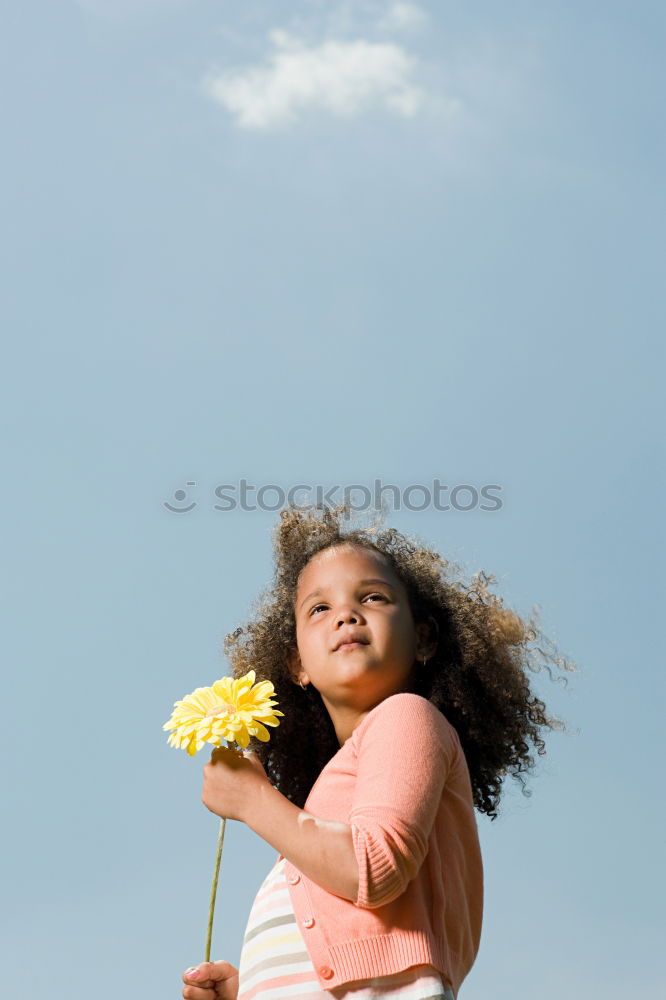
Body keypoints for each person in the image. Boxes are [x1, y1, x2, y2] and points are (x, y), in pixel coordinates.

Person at [181, 503, 572, 1000]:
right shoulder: (328, 803)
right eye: (319, 609)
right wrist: (254, 987)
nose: (346, 613)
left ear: (423, 638)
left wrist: (254, 800)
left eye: (372, 596)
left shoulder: (405, 716)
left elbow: (373, 869)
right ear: (297, 665)